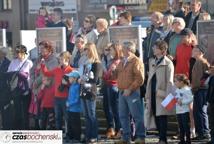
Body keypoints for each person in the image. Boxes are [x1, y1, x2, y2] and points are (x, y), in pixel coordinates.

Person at [112, 41, 145, 144]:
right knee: (123, 115)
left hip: (132, 92)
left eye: (123, 48)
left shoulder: (136, 61)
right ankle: (126, 138)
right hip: (121, 91)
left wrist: (130, 89)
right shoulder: (122, 61)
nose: (121, 50)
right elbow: (115, 76)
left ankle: (140, 137)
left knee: (137, 115)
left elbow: (140, 79)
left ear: (129, 49)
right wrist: (113, 71)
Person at [145, 40, 174, 144]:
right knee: (156, 115)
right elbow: (150, 78)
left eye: (156, 48)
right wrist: (147, 94)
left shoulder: (168, 63)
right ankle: (160, 138)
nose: (153, 49)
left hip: (162, 94)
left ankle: (163, 139)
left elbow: (170, 81)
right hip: (153, 93)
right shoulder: (152, 61)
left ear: (162, 50)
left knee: (162, 117)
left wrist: (168, 97)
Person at [41, 51, 73, 130]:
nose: (60, 61)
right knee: (57, 117)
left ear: (67, 60)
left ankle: (68, 134)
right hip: (57, 97)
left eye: (62, 59)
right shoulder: (57, 69)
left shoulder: (71, 70)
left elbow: (73, 84)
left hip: (66, 98)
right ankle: (58, 134)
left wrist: (67, 83)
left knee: (67, 117)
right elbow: (46, 73)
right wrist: (43, 64)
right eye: (60, 59)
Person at [79, 42, 102, 143]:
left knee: (92, 115)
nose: (85, 51)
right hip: (83, 90)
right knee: (86, 115)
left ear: (91, 50)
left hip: (91, 91)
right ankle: (87, 135)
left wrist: (84, 80)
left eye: (87, 49)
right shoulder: (85, 62)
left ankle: (94, 136)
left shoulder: (96, 63)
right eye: (85, 49)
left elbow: (95, 80)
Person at [102, 43, 122, 139]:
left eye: (112, 49)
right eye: (109, 49)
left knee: (115, 109)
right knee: (108, 108)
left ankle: (118, 129)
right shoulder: (108, 59)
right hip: (107, 85)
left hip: (114, 86)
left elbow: (108, 75)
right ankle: (112, 128)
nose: (110, 51)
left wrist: (108, 73)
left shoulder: (118, 61)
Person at [191, 45, 210, 140]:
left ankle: (203, 133)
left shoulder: (201, 62)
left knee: (200, 111)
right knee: (200, 111)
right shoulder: (198, 62)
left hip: (201, 90)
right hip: (200, 90)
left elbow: (202, 78)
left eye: (195, 50)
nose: (193, 51)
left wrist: (195, 87)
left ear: (200, 53)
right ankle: (202, 133)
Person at [174, 74, 193, 144]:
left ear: (181, 82)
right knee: (181, 127)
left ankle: (188, 140)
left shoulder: (187, 89)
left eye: (175, 81)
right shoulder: (177, 89)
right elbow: (176, 98)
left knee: (186, 126)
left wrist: (183, 102)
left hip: (185, 111)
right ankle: (182, 140)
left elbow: (191, 99)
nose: (174, 83)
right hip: (178, 111)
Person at [65, 71, 81, 142]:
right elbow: (69, 96)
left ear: (75, 78)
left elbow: (77, 99)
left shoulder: (78, 87)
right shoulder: (71, 86)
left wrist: (70, 103)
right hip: (70, 108)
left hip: (75, 109)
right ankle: (70, 136)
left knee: (76, 124)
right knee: (70, 123)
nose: (68, 79)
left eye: (70, 78)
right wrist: (67, 102)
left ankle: (77, 137)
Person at [207, 66, 214, 144]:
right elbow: (209, 90)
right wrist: (208, 100)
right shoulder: (211, 78)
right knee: (212, 121)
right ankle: (212, 138)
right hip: (211, 102)